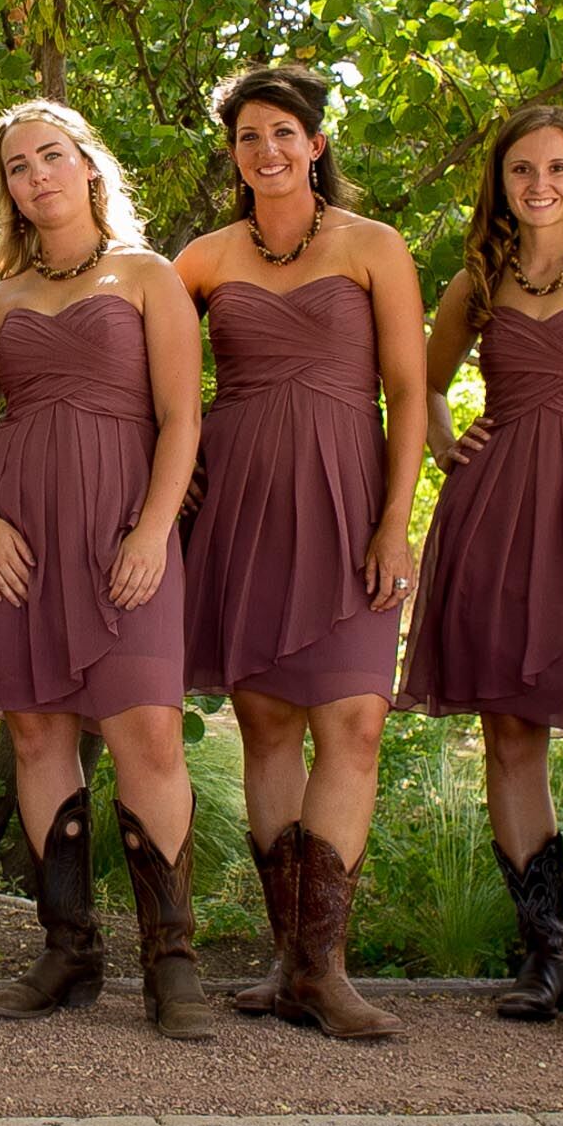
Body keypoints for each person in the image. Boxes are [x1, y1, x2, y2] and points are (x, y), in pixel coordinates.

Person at [0, 100, 212, 1041]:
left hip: (120, 538)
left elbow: (181, 418)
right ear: (8, 191)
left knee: (147, 736)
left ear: (88, 166)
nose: (36, 176)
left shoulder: (147, 279)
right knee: (33, 738)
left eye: (50, 156)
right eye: (17, 166)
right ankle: (66, 952)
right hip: (16, 544)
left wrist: (151, 532)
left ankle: (170, 962)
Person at [174, 65, 424, 1042]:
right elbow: (131, 339)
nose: (266, 151)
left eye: (283, 133)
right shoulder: (203, 258)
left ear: (315, 143)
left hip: (348, 497)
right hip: (241, 502)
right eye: (247, 138)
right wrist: (173, 448)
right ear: (232, 155)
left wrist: (394, 519)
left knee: (355, 719)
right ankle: (290, 967)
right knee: (269, 722)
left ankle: (324, 962)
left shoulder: (373, 247)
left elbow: (406, 390)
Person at [405, 105, 563, 1038]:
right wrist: (443, 449)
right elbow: (421, 384)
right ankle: (544, 952)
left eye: (556, 167)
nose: (539, 183)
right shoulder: (476, 283)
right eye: (520, 169)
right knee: (510, 736)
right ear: (500, 182)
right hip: (494, 517)